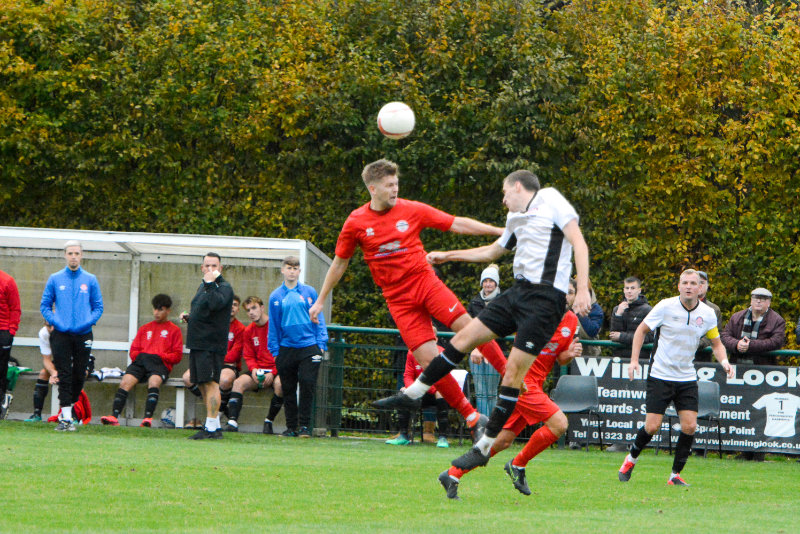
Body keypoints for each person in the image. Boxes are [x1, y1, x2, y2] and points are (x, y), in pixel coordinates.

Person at [376, 169, 591, 474]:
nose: (503, 200)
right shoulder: (515, 218)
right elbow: (493, 251)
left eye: (505, 193)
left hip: (546, 300)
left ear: (518, 187)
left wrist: (582, 290)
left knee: (512, 374)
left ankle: (484, 445)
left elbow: (579, 243)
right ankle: (413, 393)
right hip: (518, 292)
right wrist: (449, 255)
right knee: (463, 337)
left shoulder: (550, 198)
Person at [308, 158, 508, 437]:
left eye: (396, 183)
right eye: (389, 185)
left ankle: (514, 380)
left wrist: (499, 232)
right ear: (372, 188)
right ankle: (473, 417)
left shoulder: (411, 209)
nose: (395, 189)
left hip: (425, 283)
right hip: (398, 300)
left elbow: (455, 223)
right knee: (428, 361)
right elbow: (340, 262)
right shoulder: (356, 222)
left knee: (470, 329)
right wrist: (320, 299)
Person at [439, 311, 581, 500]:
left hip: (535, 384)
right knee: (559, 424)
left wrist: (569, 354)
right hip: (521, 381)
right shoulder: (537, 308)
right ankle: (518, 464)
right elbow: (497, 324)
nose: (565, 297)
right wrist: (479, 346)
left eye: (570, 295)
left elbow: (561, 358)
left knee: (502, 441)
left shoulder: (571, 319)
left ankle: (452, 474)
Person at [618, 269, 734, 486]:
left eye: (693, 283)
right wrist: (634, 361)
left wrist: (725, 361)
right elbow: (641, 331)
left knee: (690, 426)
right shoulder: (665, 306)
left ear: (700, 288)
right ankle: (631, 459)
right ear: (679, 286)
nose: (689, 286)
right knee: (652, 426)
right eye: (685, 283)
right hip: (660, 375)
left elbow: (716, 343)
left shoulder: (708, 314)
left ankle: (675, 476)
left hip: (686, 377)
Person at [40, 241, 104, 431]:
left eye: (76, 253)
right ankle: (66, 418)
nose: (73, 257)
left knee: (80, 373)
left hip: (83, 333)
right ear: (65, 255)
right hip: (61, 334)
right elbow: (45, 305)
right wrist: (56, 322)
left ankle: (69, 407)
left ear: (81, 255)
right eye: (70, 253)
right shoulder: (55, 278)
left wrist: (87, 322)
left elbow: (98, 307)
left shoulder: (90, 279)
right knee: (64, 373)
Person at [101, 294, 183, 427]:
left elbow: (177, 356)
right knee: (125, 381)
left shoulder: (174, 330)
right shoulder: (145, 328)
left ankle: (147, 419)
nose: (156, 312)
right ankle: (114, 417)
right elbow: (133, 351)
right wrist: (142, 357)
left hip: (159, 363)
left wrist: (160, 356)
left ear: (168, 311)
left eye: (160, 309)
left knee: (154, 381)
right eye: (155, 309)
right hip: (142, 361)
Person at [268, 256, 327, 438]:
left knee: (307, 383)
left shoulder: (309, 292)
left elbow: (319, 318)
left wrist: (321, 343)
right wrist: (275, 351)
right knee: (288, 387)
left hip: (309, 345)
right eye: (289, 268)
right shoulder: (276, 296)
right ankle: (291, 427)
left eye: (295, 268)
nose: (292, 271)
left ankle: (305, 427)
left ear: (299, 271)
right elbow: (274, 325)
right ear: (282, 270)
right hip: (286, 347)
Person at [180, 252, 234, 439]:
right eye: (207, 266)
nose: (210, 269)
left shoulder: (224, 287)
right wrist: (191, 318)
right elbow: (205, 312)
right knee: (202, 382)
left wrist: (210, 283)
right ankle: (214, 425)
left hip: (211, 344)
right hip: (198, 342)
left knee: (211, 383)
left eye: (214, 266)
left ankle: (211, 428)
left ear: (220, 268)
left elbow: (215, 304)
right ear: (202, 268)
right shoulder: (202, 286)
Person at [182, 295, 245, 427]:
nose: (232, 307)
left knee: (224, 380)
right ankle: (219, 408)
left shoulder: (240, 329)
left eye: (235, 305)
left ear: (238, 309)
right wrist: (188, 318)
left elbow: (234, 355)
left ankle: (216, 412)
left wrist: (216, 357)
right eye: (229, 304)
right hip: (211, 362)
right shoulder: (214, 324)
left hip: (227, 366)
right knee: (188, 378)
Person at [226, 296, 284, 433]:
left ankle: (269, 421)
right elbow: (249, 356)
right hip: (258, 370)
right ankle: (232, 422)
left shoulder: (276, 326)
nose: (251, 312)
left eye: (254, 308)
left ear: (262, 308)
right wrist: (254, 370)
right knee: (238, 383)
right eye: (248, 310)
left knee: (280, 385)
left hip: (276, 369)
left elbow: (284, 354)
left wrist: (273, 372)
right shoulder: (248, 331)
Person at [387, 345, 453, 447]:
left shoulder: (441, 353)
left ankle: (442, 438)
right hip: (419, 392)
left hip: (435, 392)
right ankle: (403, 435)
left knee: (440, 392)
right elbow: (408, 376)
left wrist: (425, 389)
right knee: (403, 391)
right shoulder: (412, 352)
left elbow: (443, 379)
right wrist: (412, 389)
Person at [466, 264, 504, 417]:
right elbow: (469, 328)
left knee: (491, 392)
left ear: (496, 283)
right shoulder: (474, 302)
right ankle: (483, 425)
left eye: (491, 281)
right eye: (485, 281)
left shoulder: (503, 302)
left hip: (495, 352)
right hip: (476, 352)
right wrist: (476, 348)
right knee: (480, 392)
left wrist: (486, 347)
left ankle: (491, 425)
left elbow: (500, 328)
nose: (488, 284)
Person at [720, 287, 786, 366]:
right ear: (751, 300)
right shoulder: (736, 317)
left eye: (763, 299)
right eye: (755, 298)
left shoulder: (777, 320)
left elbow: (776, 342)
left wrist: (750, 345)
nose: (758, 301)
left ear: (769, 303)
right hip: (736, 366)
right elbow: (724, 336)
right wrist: (737, 344)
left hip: (764, 368)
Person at [608, 276, 653, 358]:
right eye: (627, 288)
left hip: (641, 358)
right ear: (624, 290)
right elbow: (613, 335)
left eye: (632, 288)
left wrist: (621, 337)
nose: (629, 291)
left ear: (639, 290)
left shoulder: (647, 310)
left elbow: (649, 338)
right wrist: (618, 315)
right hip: (619, 358)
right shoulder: (617, 309)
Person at [24, 322, 57, 422]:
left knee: (77, 375)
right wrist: (54, 373)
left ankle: (74, 416)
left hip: (78, 360)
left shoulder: (66, 330)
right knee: (43, 374)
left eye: (54, 325)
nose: (51, 329)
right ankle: (37, 414)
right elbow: (46, 359)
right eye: (48, 326)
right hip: (60, 360)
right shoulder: (44, 333)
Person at [0, 269, 21, 419]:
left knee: (1, 368)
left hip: (3, 331)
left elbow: (15, 308)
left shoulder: (7, 280)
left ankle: (2, 400)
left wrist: (11, 331)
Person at [567, 278, 603, 357]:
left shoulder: (595, 308)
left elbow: (591, 332)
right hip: (566, 354)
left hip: (588, 355)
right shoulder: (565, 306)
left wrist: (579, 312)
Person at [695, 271, 722, 362]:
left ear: (707, 286)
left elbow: (716, 333)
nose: (699, 285)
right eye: (696, 282)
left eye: (702, 282)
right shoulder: (678, 306)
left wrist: (698, 344)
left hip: (703, 360)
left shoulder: (714, 309)